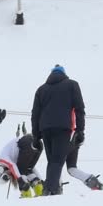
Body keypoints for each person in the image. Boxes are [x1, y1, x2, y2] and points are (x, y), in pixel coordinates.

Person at [31, 64, 86, 196]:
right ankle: (50, 190)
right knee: (58, 161)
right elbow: (80, 109)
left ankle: (50, 189)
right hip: (63, 128)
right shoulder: (72, 85)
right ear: (64, 73)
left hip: (45, 130)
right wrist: (80, 130)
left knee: (53, 161)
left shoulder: (41, 90)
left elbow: (35, 114)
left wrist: (36, 136)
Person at [0, 132, 44, 198]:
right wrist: (41, 180)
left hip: (27, 142)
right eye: (7, 179)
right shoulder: (14, 159)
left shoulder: (2, 159)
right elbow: (31, 168)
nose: (9, 177)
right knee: (27, 170)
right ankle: (40, 190)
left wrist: (20, 180)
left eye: (5, 177)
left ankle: (26, 195)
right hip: (38, 144)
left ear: (1, 171)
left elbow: (12, 166)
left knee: (20, 171)